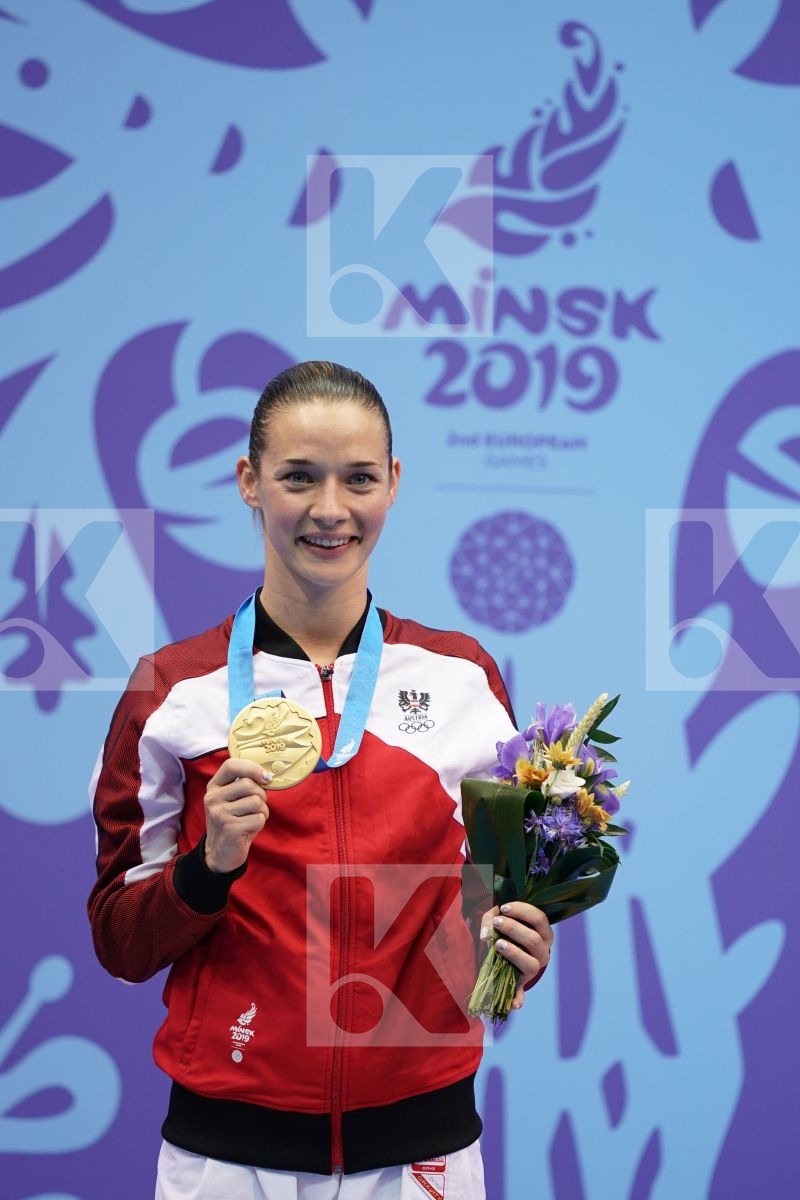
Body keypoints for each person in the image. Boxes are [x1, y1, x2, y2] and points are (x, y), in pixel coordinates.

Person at [88, 361, 553, 1200]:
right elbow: (120, 939)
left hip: (423, 1152)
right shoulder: (173, 690)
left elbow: (486, 904)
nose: (330, 510)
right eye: (299, 477)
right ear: (249, 482)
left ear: (393, 484)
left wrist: (515, 948)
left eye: (358, 479)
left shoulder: (462, 677)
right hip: (227, 1158)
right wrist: (208, 866)